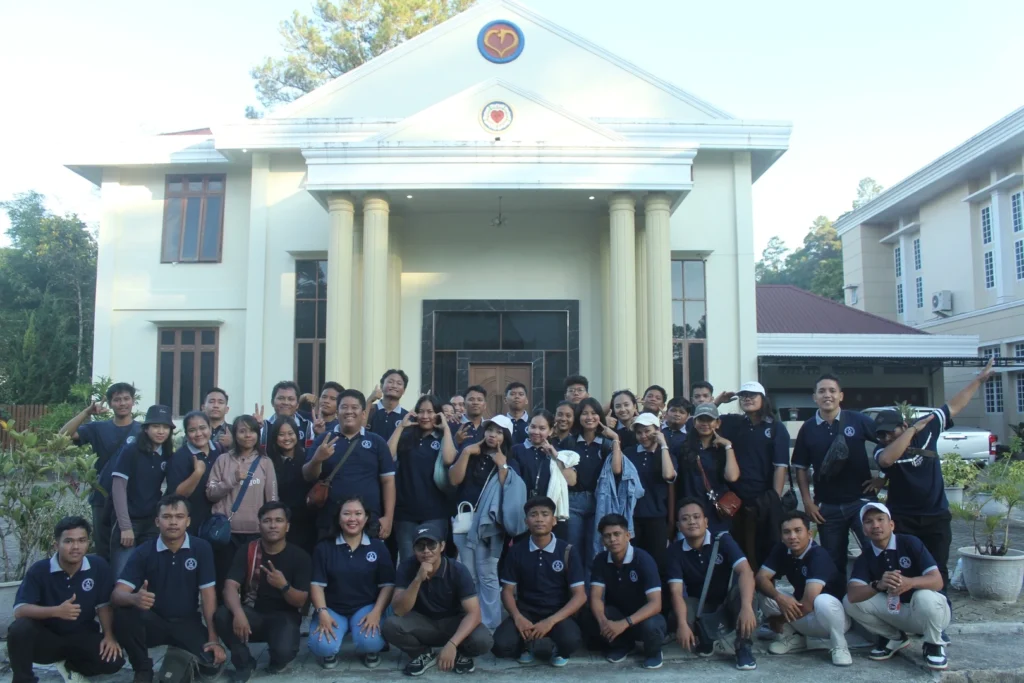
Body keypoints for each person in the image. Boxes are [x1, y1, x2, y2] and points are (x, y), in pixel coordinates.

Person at [873, 358, 995, 596]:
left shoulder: (927, 430)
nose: (887, 437)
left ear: (903, 424)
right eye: (882, 434)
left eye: (891, 431)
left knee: (937, 569)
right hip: (903, 518)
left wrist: (978, 380)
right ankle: (907, 617)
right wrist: (908, 432)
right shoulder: (882, 450)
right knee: (903, 570)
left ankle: (940, 617)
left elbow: (954, 406)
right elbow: (887, 461)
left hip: (935, 516)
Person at [112, 495, 227, 682]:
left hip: (187, 621)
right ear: (157, 521)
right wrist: (134, 599)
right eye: (167, 517)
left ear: (188, 521)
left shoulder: (201, 548)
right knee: (123, 614)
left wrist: (213, 638)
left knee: (211, 664)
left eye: (179, 516)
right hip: (154, 621)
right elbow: (117, 594)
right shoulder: (144, 551)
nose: (173, 522)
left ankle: (178, 654)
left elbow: (208, 595)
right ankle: (142, 668)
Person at [9, 516, 124, 683]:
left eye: (81, 540)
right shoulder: (40, 570)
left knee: (114, 661)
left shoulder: (98, 566)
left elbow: (104, 605)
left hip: (82, 635)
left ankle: (70, 666)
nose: (76, 547)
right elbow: (20, 610)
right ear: (57, 545)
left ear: (88, 543)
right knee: (20, 629)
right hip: (47, 639)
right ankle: (23, 679)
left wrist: (108, 636)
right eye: (69, 541)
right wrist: (56, 611)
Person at [792, 374, 881, 575]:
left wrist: (883, 478)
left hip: (861, 502)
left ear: (841, 395)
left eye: (832, 391)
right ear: (814, 397)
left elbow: (888, 442)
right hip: (827, 507)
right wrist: (807, 502)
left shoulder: (858, 420)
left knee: (875, 550)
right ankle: (836, 602)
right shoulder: (808, 428)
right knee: (832, 561)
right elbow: (801, 468)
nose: (827, 395)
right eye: (822, 391)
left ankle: (879, 597)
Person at [845, 503, 950, 670]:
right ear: (864, 529)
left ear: (891, 524)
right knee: (849, 602)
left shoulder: (909, 542)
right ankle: (894, 638)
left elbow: (937, 581)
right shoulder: (866, 556)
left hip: (929, 611)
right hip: (898, 613)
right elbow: (853, 594)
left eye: (880, 519)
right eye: (869, 522)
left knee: (924, 596)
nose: (876, 525)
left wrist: (910, 582)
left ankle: (934, 643)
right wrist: (877, 585)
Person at [381, 523, 494, 676]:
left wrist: (452, 644)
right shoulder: (406, 567)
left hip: (453, 622)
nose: (426, 551)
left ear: (442, 546)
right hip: (423, 622)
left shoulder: (458, 570)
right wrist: (417, 580)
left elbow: (474, 614)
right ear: (414, 550)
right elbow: (399, 610)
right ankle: (424, 654)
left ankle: (462, 653)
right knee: (390, 625)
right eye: (420, 546)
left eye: (431, 545)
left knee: (483, 640)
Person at [216, 502, 311, 682]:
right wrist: (238, 614)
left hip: (284, 617)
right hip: (253, 616)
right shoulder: (248, 550)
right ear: (259, 525)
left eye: (278, 520)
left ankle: (278, 654)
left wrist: (283, 586)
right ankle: (244, 663)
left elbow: (301, 601)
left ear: (287, 526)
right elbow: (229, 586)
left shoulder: (300, 556)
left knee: (283, 654)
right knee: (222, 614)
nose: (273, 525)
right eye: (267, 521)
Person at [493, 497, 586, 666]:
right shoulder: (517, 551)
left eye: (545, 514)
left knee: (571, 641)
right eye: (533, 515)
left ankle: (557, 647)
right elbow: (507, 591)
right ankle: (525, 645)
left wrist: (550, 621)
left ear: (554, 520)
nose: (539, 519)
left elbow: (580, 596)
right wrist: (518, 617)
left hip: (557, 613)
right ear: (526, 521)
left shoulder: (567, 551)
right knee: (500, 645)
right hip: (526, 611)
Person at [447, 415, 520, 630]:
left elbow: (511, 492)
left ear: (505, 436)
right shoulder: (471, 453)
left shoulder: (510, 460)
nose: (492, 435)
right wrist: (467, 452)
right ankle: (471, 620)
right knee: (468, 574)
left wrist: (502, 466)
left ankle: (491, 623)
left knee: (487, 574)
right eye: (490, 430)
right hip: (464, 520)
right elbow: (454, 480)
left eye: (498, 432)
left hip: (490, 526)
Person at [667, 498, 757, 671]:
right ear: (679, 526)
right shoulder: (675, 551)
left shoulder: (723, 539)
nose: (692, 522)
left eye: (696, 517)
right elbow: (676, 592)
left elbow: (746, 571)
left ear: (706, 521)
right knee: (678, 613)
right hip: (702, 605)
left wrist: (746, 607)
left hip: (727, 602)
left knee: (746, 594)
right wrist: (683, 624)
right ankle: (704, 638)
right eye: (685, 519)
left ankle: (743, 646)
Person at [307, 496, 394, 669]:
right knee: (323, 646)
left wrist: (377, 612)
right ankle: (330, 652)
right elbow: (316, 584)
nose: (352, 519)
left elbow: (388, 585)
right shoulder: (324, 548)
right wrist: (322, 612)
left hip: (365, 608)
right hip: (333, 609)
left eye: (358, 513)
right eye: (346, 514)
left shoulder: (377, 547)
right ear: (338, 518)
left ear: (366, 518)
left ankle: (371, 650)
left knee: (370, 642)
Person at [756, 511, 852, 667]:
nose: (792, 536)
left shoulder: (818, 555)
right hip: (802, 615)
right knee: (766, 594)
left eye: (797, 530)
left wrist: (776, 620)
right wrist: (780, 598)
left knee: (822, 601)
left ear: (809, 533)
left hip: (830, 620)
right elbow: (761, 577)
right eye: (787, 532)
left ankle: (839, 645)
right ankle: (793, 638)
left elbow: (808, 604)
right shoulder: (782, 549)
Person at [61, 381, 141, 560]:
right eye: (117, 399)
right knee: (104, 551)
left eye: (126, 399)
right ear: (111, 403)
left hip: (135, 500)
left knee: (134, 552)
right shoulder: (98, 428)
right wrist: (86, 413)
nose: (122, 403)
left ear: (133, 401)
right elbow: (63, 436)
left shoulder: (143, 430)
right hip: (102, 498)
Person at [303, 389, 396, 544]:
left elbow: (388, 481)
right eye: (344, 407)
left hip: (369, 520)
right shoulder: (323, 440)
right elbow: (307, 475)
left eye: (354, 408)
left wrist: (388, 517)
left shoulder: (377, 442)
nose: (349, 412)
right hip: (329, 520)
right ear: (337, 412)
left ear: (364, 413)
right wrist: (317, 459)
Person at [719, 381, 790, 567]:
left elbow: (780, 467)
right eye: (743, 395)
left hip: (763, 499)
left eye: (752, 395)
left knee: (765, 550)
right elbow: (699, 420)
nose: (747, 398)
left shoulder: (776, 428)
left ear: (763, 399)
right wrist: (717, 401)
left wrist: (774, 499)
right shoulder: (734, 423)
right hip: (735, 500)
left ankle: (765, 592)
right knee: (740, 552)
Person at [206, 414, 279, 589]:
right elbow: (210, 493)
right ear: (234, 434)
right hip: (227, 534)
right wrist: (232, 480)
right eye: (242, 431)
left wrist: (271, 527)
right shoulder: (223, 460)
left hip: (256, 533)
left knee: (253, 582)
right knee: (225, 580)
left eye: (252, 431)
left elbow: (272, 500)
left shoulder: (265, 462)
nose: (248, 435)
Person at [587, 514, 666, 669]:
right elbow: (596, 597)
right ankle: (623, 646)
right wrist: (603, 622)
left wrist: (624, 624)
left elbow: (656, 604)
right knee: (597, 614)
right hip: (618, 614)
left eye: (617, 534)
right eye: (607, 536)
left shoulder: (643, 559)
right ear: (603, 540)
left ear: (628, 535)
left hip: (644, 617)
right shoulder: (600, 559)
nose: (613, 539)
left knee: (652, 625)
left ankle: (653, 652)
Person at [389, 395, 457, 562]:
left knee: (433, 560)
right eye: (421, 412)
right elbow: (387, 456)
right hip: (405, 512)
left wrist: (446, 428)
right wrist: (400, 427)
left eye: (430, 412)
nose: (425, 416)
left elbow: (449, 459)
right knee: (408, 560)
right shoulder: (406, 437)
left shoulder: (442, 438)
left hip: (436, 511)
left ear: (438, 414)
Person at [110, 405, 175, 576]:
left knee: (150, 573)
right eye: (156, 426)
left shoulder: (167, 452)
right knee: (123, 575)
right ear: (146, 429)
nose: (161, 431)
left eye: (165, 427)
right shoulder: (131, 450)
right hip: (129, 521)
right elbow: (118, 487)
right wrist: (125, 526)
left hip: (152, 521)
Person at [559, 397, 621, 573]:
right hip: (573, 502)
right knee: (573, 550)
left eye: (594, 413)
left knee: (595, 550)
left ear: (600, 416)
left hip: (599, 501)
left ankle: (593, 595)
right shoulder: (569, 442)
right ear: (578, 417)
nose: (589, 417)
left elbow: (617, 470)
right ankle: (575, 593)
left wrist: (616, 438)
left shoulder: (607, 444)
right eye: (585, 413)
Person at [675, 403, 739, 534]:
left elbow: (732, 477)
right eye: (701, 419)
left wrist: (728, 446)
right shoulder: (682, 447)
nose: (705, 423)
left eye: (709, 420)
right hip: (690, 511)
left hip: (716, 512)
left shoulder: (723, 449)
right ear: (694, 422)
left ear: (717, 423)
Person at [626, 412, 677, 570]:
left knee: (657, 564)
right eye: (639, 432)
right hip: (632, 518)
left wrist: (663, 445)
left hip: (656, 516)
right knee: (633, 563)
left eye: (647, 431)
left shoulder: (666, 454)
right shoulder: (629, 453)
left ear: (658, 430)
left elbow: (669, 475)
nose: (643, 436)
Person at [166, 410, 223, 536]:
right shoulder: (180, 457)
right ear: (186, 434)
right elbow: (177, 495)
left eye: (203, 428)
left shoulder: (219, 451)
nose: (198, 434)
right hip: (191, 525)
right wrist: (197, 473)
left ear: (210, 429)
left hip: (217, 524)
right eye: (192, 430)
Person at [266, 418, 316, 556]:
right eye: (281, 434)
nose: (287, 438)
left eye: (290, 433)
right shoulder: (268, 460)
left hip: (307, 522)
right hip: (280, 523)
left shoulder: (308, 456)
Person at [258, 381, 314, 450]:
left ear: (297, 404)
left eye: (291, 399)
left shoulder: (308, 427)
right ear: (272, 402)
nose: (286, 403)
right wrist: (255, 429)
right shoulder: (263, 427)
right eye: (281, 398)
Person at [366, 369, 410, 440]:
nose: (394, 386)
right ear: (381, 386)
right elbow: (358, 432)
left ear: (404, 390)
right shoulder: (369, 410)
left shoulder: (407, 417)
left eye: (399, 383)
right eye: (390, 382)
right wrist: (369, 401)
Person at [452, 386, 487, 452]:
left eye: (479, 400)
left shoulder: (488, 427)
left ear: (485, 405)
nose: (475, 403)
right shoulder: (453, 423)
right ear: (464, 404)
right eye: (471, 399)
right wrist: (456, 442)